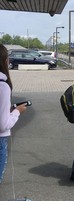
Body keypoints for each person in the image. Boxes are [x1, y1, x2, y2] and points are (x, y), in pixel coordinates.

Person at [0, 44, 27, 183]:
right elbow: (3, 125)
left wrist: (6, 110)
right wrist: (17, 111)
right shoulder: (2, 86)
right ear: (4, 61)